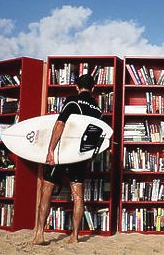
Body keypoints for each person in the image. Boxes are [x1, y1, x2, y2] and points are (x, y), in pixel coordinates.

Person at [32, 74, 102, 245]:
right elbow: (95, 137)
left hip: (62, 152)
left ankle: (40, 234)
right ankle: (74, 237)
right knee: (78, 195)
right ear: (93, 90)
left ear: (77, 87)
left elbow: (60, 124)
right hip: (79, 155)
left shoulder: (72, 101)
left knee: (47, 188)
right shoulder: (97, 110)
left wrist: (50, 150)